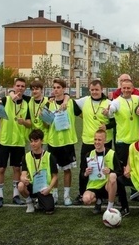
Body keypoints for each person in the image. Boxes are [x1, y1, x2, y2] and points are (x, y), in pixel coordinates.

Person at [73, 79, 114, 205]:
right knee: (84, 168)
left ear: (102, 90)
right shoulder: (84, 101)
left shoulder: (109, 103)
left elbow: (115, 121)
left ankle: (106, 194)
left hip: (104, 141)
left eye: (97, 90)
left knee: (105, 168)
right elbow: (72, 106)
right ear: (89, 90)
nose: (95, 92)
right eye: (92, 90)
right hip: (88, 140)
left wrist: (106, 127)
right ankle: (82, 193)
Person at [45, 78, 82, 206]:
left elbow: (82, 115)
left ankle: (66, 196)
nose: (56, 90)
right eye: (54, 88)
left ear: (64, 89)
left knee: (67, 170)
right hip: (53, 142)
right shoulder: (48, 104)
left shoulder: (71, 103)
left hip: (67, 141)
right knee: (53, 170)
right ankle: (55, 195)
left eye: (58, 87)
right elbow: (45, 123)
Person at [0, 77, 31, 208]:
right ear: (14, 87)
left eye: (22, 86)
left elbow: (29, 123)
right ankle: (0, 196)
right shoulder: (6, 100)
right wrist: (10, 94)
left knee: (17, 168)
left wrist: (24, 122)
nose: (20, 88)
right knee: (1, 168)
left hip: (19, 141)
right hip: (4, 140)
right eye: (18, 86)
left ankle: (16, 195)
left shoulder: (27, 102)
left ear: (25, 88)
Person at [18, 129, 58, 214]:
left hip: (44, 187)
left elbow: (55, 176)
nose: (33, 144)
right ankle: (29, 203)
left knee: (49, 210)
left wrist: (49, 188)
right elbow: (23, 174)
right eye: (31, 141)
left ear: (42, 141)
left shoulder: (49, 156)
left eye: (36, 141)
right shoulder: (26, 156)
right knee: (20, 185)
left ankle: (40, 201)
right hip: (31, 186)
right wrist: (23, 179)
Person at [82, 129, 121, 214]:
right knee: (86, 200)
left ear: (105, 140)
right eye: (95, 139)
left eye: (99, 140)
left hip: (107, 185)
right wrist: (86, 173)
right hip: (94, 185)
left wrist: (110, 171)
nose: (97, 142)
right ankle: (98, 200)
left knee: (113, 176)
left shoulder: (111, 153)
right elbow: (82, 174)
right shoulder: (89, 155)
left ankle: (109, 208)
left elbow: (119, 172)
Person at [107, 78, 139, 168]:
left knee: (135, 167)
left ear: (132, 89)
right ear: (121, 89)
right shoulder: (116, 101)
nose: (126, 90)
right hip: (122, 141)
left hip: (136, 140)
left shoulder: (138, 99)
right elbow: (111, 109)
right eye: (124, 88)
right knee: (123, 168)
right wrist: (108, 111)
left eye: (128, 88)